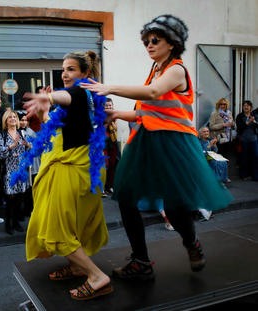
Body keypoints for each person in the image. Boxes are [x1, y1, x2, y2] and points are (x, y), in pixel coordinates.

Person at [81, 15, 233, 278]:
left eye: (155, 40)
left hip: (174, 144)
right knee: (126, 197)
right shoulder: (155, 71)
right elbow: (145, 112)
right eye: (146, 41)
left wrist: (110, 87)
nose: (149, 45)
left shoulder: (176, 70)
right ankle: (141, 261)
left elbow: (151, 94)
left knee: (175, 207)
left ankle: (192, 244)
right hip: (148, 142)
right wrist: (116, 115)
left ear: (171, 43)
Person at [22, 50, 112, 300]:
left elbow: (67, 96)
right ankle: (76, 265)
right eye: (63, 69)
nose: (65, 73)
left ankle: (96, 276)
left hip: (73, 168)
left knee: (56, 228)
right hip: (80, 165)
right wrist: (45, 107)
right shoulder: (83, 97)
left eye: (71, 69)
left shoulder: (81, 91)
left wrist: (48, 95)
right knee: (75, 223)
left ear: (85, 73)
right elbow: (54, 123)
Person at [0, 110, 31, 235]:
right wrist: (12, 146)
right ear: (6, 120)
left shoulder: (22, 133)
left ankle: (16, 222)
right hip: (9, 171)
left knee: (19, 199)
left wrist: (27, 144)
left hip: (21, 171)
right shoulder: (2, 135)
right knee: (10, 199)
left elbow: (30, 149)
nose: (12, 119)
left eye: (14, 117)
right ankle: (8, 224)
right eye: (10, 117)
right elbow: (0, 154)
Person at [18, 112, 39, 217]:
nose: (23, 122)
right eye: (21, 120)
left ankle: (29, 209)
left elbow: (36, 149)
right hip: (20, 164)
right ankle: (21, 211)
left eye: (25, 120)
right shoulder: (16, 132)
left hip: (31, 165)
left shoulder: (31, 132)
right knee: (22, 189)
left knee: (30, 188)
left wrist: (29, 145)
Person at [235, 100, 258, 181]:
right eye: (244, 105)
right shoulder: (240, 116)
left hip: (253, 139)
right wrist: (248, 122)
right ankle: (244, 175)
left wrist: (254, 122)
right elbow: (239, 127)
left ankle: (255, 175)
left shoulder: (254, 115)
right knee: (244, 158)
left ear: (250, 107)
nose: (246, 107)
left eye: (247, 105)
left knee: (255, 157)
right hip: (243, 140)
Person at [103, 98, 119, 196]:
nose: (109, 107)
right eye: (107, 105)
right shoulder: (101, 116)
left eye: (110, 105)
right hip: (104, 141)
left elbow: (115, 129)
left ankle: (110, 186)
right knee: (105, 164)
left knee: (113, 163)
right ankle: (102, 187)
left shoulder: (114, 116)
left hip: (113, 141)